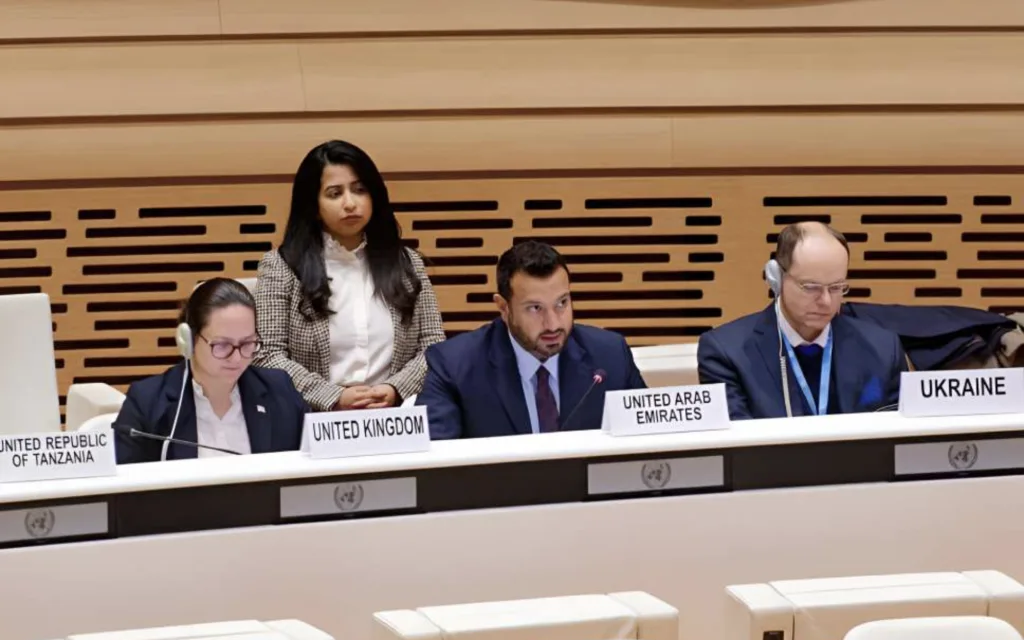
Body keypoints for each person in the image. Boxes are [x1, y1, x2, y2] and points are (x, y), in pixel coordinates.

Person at [254, 140, 446, 411]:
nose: (350, 203)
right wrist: (334, 397)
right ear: (313, 205)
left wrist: (395, 389)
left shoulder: (407, 263)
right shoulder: (281, 266)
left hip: (396, 417)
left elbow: (434, 346)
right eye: (334, 194)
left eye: (359, 190)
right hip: (313, 419)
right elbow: (267, 355)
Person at [418, 241, 647, 440]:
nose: (553, 324)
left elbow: (648, 440)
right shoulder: (454, 366)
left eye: (562, 303)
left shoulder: (610, 356)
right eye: (535, 308)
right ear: (503, 308)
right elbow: (432, 459)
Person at [697, 221, 907, 420]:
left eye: (836, 287)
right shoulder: (726, 353)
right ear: (776, 278)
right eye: (811, 287)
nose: (826, 301)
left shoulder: (883, 349)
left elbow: (898, 436)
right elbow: (738, 440)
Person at [114, 278, 308, 463]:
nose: (237, 358)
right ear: (189, 340)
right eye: (222, 345)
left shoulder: (280, 392)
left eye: (247, 343)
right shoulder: (147, 403)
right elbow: (126, 481)